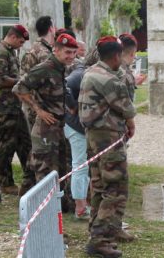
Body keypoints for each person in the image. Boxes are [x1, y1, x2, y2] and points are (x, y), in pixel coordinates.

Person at [79, 36, 137, 258]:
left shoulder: (91, 71)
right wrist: (130, 126)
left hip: (94, 137)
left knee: (99, 186)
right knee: (116, 187)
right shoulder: (109, 79)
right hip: (108, 137)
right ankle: (101, 239)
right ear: (116, 56)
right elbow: (126, 108)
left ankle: (100, 229)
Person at [14, 34, 78, 187]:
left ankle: (58, 207)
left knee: (60, 171)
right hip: (45, 129)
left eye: (74, 52)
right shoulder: (44, 68)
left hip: (58, 128)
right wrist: (38, 110)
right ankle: (41, 208)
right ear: (56, 50)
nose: (71, 56)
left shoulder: (61, 68)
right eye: (67, 52)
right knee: (44, 173)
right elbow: (19, 88)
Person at [0, 25, 31, 196]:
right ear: (13, 37)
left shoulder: (10, 52)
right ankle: (6, 182)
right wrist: (21, 80)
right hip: (7, 106)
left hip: (15, 105)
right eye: (21, 41)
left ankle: (30, 179)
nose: (21, 45)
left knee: (25, 142)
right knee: (6, 145)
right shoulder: (1, 53)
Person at [64, 48, 90, 221]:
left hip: (80, 127)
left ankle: (83, 203)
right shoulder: (81, 74)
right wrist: (72, 107)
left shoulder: (86, 73)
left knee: (83, 167)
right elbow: (64, 85)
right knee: (79, 166)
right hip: (75, 127)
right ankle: (80, 208)